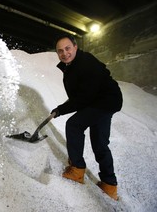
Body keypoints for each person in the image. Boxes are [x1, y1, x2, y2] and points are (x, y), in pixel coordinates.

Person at [50, 34, 123, 200]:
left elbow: (83, 98)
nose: (64, 53)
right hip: (102, 100)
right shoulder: (72, 65)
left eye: (68, 48)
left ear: (75, 47)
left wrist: (61, 109)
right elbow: (80, 95)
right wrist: (62, 107)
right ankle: (109, 184)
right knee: (100, 142)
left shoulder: (85, 63)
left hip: (104, 101)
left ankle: (77, 169)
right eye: (60, 51)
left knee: (74, 125)